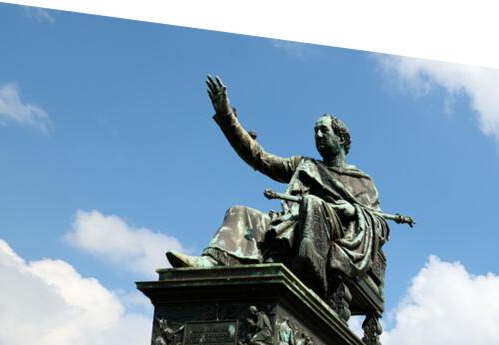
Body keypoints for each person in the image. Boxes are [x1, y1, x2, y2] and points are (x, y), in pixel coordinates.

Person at [167, 75, 389, 314]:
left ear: (341, 139)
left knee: (313, 204)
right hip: (292, 225)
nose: (318, 135)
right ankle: (213, 261)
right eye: (315, 131)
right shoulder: (305, 165)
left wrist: (354, 211)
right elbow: (259, 157)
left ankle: (310, 276)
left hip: (330, 234)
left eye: (324, 130)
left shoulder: (362, 181)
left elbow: (380, 225)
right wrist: (226, 116)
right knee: (239, 213)